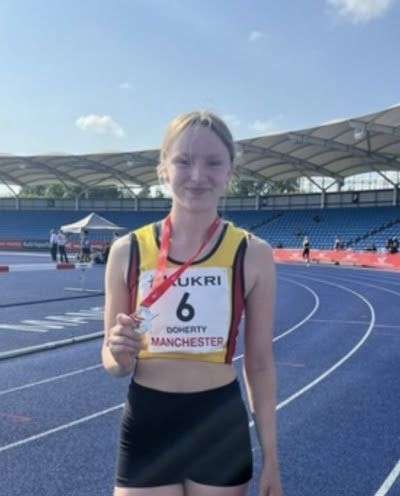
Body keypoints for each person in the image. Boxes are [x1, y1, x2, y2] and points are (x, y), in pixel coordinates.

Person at [102, 110, 282, 496]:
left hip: (218, 423)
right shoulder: (127, 251)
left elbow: (259, 365)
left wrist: (271, 457)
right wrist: (119, 355)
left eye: (213, 162)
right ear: (163, 168)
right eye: (183, 161)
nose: (198, 176)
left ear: (230, 171)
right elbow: (112, 360)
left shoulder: (253, 254)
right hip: (148, 420)